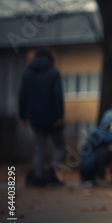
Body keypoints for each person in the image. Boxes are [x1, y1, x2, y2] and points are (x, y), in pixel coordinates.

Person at [18, 48, 65, 186]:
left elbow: (22, 97)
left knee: (39, 148)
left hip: (35, 118)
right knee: (60, 146)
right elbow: (57, 96)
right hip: (52, 118)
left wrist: (23, 116)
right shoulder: (53, 73)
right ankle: (51, 170)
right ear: (50, 58)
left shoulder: (27, 74)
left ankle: (38, 176)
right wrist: (59, 116)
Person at [80, 108, 112, 185]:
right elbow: (108, 139)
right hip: (88, 167)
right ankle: (97, 177)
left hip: (95, 161)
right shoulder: (97, 133)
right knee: (104, 151)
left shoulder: (109, 133)